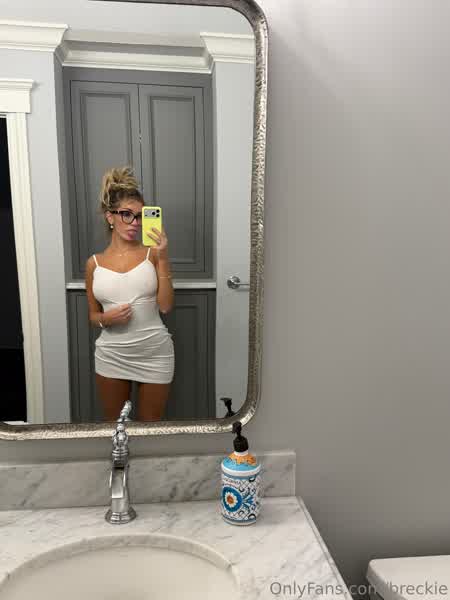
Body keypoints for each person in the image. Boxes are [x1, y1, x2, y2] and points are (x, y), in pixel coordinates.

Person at [84, 166, 175, 421]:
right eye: (126, 215)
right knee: (117, 428)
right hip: (111, 355)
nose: (135, 223)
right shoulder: (94, 263)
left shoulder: (153, 254)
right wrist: (106, 319)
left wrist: (164, 257)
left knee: (150, 430)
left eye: (139, 216)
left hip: (155, 353)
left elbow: (166, 306)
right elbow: (93, 316)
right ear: (110, 217)